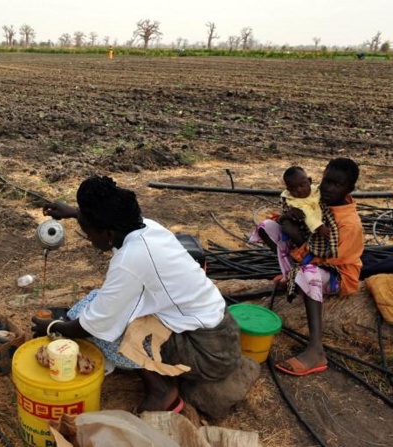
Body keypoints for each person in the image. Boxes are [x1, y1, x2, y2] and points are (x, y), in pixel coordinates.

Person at [32, 176, 242, 413]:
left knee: (102, 327)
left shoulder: (130, 261)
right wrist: (75, 213)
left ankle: (162, 391)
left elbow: (92, 326)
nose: (88, 238)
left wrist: (52, 327)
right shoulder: (146, 227)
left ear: (107, 232)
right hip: (222, 333)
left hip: (206, 353)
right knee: (96, 301)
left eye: (88, 231)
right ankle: (155, 375)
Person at [250, 158, 363, 376]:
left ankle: (316, 349)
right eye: (326, 181)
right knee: (268, 227)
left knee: (309, 272)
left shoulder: (349, 223)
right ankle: (292, 277)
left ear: (350, 189)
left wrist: (299, 243)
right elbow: (291, 218)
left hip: (338, 274)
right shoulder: (317, 198)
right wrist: (287, 217)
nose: (328, 188)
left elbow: (332, 258)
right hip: (309, 257)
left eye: (337, 185)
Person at [281, 166, 331, 239]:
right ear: (288, 190)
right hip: (306, 229)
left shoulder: (316, 190)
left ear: (309, 181)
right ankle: (301, 247)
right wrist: (319, 227)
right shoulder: (293, 200)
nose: (299, 190)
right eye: (293, 189)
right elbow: (307, 212)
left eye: (302, 185)